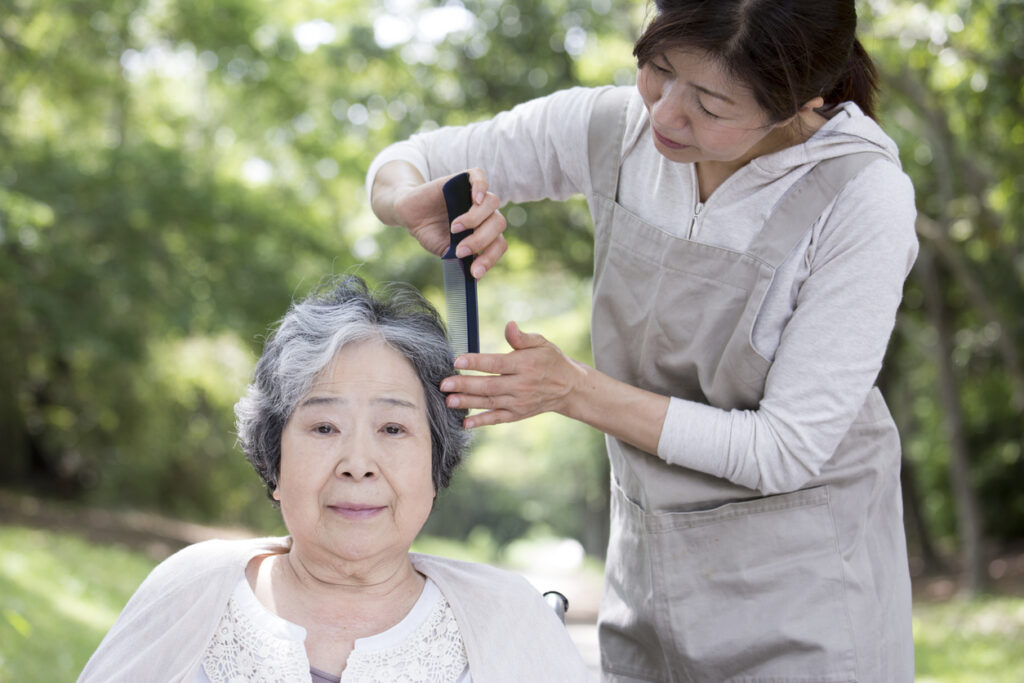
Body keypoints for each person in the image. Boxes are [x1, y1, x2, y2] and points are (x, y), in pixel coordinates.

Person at [366, 0, 918, 680]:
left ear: (800, 101)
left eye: (710, 106)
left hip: (803, 586)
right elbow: (408, 159)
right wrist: (410, 201)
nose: (664, 114)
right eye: (658, 70)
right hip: (651, 568)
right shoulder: (614, 128)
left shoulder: (862, 197)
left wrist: (575, 391)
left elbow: (784, 449)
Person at [78, 275, 593, 683]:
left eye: (393, 428)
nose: (358, 462)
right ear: (273, 458)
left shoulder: (509, 617)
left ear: (436, 466)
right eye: (324, 427)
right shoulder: (190, 588)